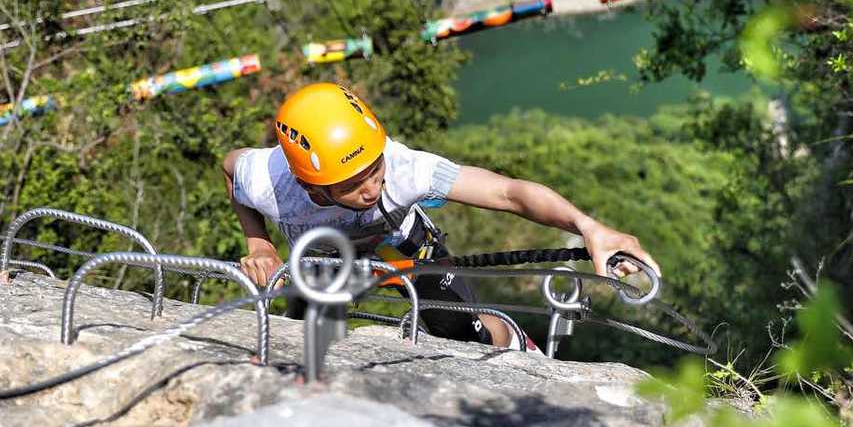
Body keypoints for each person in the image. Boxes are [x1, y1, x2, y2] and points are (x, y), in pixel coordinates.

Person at [222, 82, 658, 349]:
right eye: (351, 186)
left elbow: (508, 193)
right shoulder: (268, 182)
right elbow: (230, 168)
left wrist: (588, 226)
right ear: (309, 184)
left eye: (375, 170)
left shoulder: (407, 169)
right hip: (325, 258)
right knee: (298, 340)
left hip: (401, 243)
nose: (372, 189)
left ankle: (514, 345)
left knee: (463, 333)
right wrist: (258, 243)